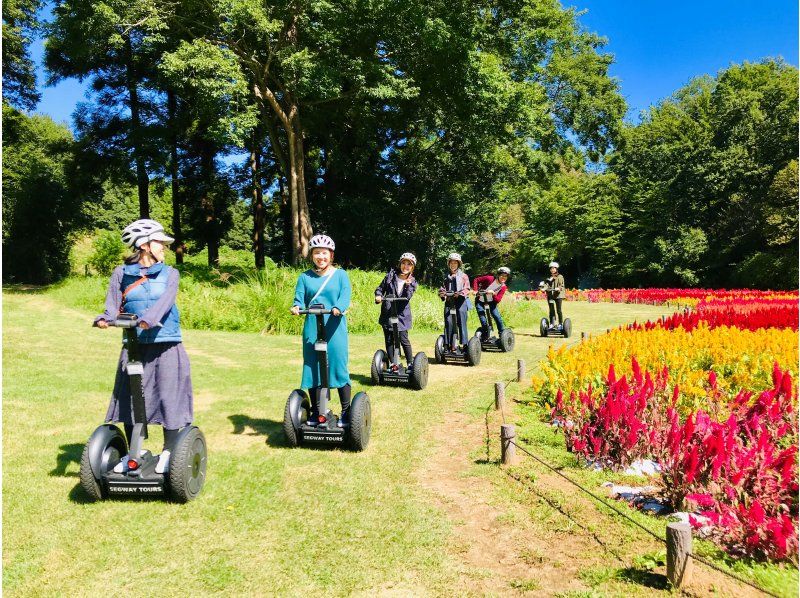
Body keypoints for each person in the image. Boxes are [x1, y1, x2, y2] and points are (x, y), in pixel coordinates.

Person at [94, 219, 193, 474]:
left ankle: (169, 451)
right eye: (160, 243)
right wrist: (105, 318)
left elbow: (166, 303)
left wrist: (149, 319)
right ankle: (133, 453)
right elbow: (113, 303)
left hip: (166, 342)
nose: (164, 248)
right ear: (145, 245)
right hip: (134, 344)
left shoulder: (171, 273)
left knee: (168, 396)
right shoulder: (121, 273)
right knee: (130, 397)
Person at [290, 234, 353, 426]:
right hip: (312, 327)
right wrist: (296, 307)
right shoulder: (304, 277)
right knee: (313, 368)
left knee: (338, 366)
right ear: (312, 255)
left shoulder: (340, 275)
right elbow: (299, 298)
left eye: (324, 253)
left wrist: (338, 307)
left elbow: (345, 296)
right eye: (317, 253)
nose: (321, 257)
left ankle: (346, 411)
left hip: (334, 326)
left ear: (331, 255)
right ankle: (318, 412)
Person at [375, 252, 418, 371]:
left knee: (403, 339)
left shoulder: (412, 282)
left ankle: (410, 363)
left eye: (409, 264)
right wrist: (378, 295)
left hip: (402, 315)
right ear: (400, 264)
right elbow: (380, 288)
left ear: (412, 267)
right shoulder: (390, 276)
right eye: (404, 263)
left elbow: (407, 297)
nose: (406, 266)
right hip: (388, 312)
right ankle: (393, 364)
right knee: (389, 340)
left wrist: (407, 286)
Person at [438, 252, 471, 346]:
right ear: (449, 264)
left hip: (461, 302)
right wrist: (443, 294)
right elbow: (442, 288)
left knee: (461, 321)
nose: (453, 265)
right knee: (449, 322)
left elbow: (467, 288)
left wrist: (460, 294)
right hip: (449, 301)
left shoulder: (464, 276)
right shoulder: (445, 276)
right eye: (451, 263)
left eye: (455, 263)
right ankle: (448, 344)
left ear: (458, 264)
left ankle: (465, 344)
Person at [472, 266, 511, 336]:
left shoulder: (503, 287)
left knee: (497, 316)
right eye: (502, 275)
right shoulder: (489, 279)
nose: (503, 277)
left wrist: (493, 293)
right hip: (480, 301)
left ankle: (502, 334)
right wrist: (475, 290)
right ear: (498, 275)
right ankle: (485, 334)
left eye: (505, 276)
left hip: (491, 303)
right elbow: (476, 280)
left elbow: (498, 300)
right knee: (483, 320)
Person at [543, 261, 565, 325]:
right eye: (551, 268)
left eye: (554, 268)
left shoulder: (560, 277)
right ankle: (552, 323)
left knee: (558, 310)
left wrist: (558, 288)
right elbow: (546, 285)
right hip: (551, 296)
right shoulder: (549, 278)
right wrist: (543, 288)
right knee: (551, 310)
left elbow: (562, 285)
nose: (552, 270)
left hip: (558, 295)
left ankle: (560, 323)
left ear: (556, 269)